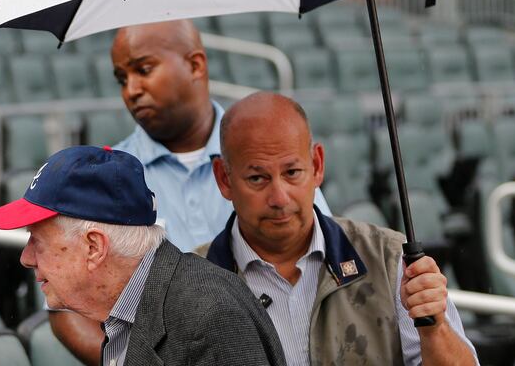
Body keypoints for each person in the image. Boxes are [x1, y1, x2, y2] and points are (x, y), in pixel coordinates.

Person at [53, 19, 332, 363]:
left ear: (195, 65)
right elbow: (65, 307)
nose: (131, 90)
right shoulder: (109, 178)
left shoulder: (268, 152)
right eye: (122, 79)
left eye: (144, 69)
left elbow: (320, 263)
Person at [202, 92, 479, 365]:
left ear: (317, 165)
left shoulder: (388, 259)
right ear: (224, 179)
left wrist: (435, 329)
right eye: (257, 178)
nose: (279, 198)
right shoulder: (190, 282)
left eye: (292, 173)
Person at [0, 145, 287, 366]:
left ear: (94, 247)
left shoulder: (207, 319)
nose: (26, 257)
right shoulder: (129, 308)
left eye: (37, 240)